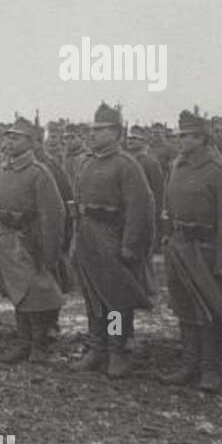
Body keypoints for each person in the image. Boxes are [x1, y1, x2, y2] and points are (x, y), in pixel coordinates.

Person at [161, 110, 222, 392]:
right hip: (180, 246)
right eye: (180, 136)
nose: (181, 141)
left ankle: (210, 368)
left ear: (202, 138)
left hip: (207, 250)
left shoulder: (221, 171)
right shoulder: (178, 165)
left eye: (187, 136)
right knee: (185, 308)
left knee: (209, 310)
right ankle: (189, 364)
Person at [71, 102, 155, 378]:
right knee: (93, 297)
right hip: (87, 236)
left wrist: (130, 246)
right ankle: (97, 348)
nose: (92, 134)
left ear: (116, 132)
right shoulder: (85, 162)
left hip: (112, 237)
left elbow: (139, 208)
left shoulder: (127, 165)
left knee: (116, 300)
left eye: (100, 130)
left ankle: (117, 350)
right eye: (92, 129)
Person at [0, 117, 65, 363]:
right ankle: (23, 343)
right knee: (18, 291)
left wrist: (50, 253)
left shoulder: (39, 172)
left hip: (29, 241)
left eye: (16, 137)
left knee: (36, 292)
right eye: (7, 136)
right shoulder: (5, 167)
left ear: (30, 142)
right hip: (6, 237)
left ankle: (40, 346)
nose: (9, 142)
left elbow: (53, 214)